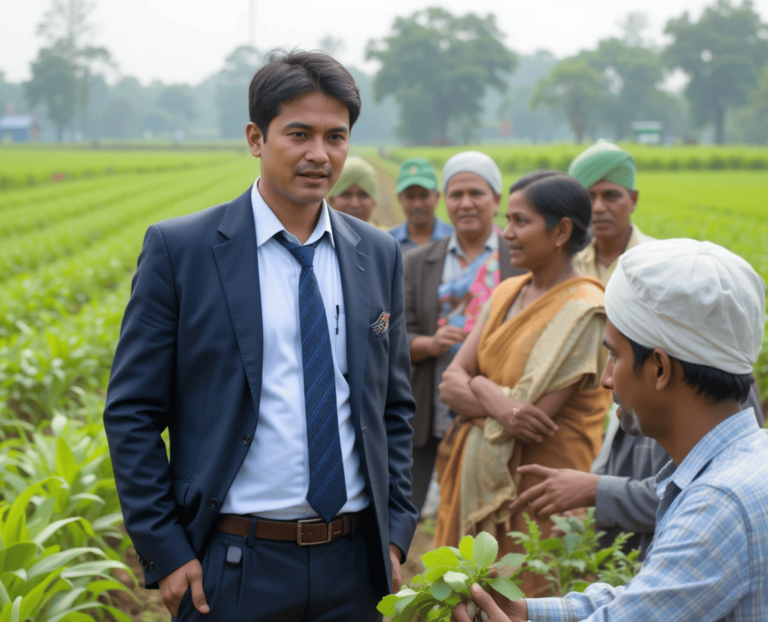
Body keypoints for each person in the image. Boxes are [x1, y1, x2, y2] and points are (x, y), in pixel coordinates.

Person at [103, 51, 417, 622]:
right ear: (256, 137)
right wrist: (166, 550)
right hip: (234, 564)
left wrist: (395, 532)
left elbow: (392, 405)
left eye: (335, 137)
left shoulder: (377, 253)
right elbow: (132, 412)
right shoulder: (184, 251)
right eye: (299, 133)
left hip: (355, 564)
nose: (319, 155)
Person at [455, 238, 768, 622]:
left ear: (660, 369)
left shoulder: (718, 506)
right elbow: (647, 598)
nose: (605, 379)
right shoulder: (747, 460)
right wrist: (528, 612)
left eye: (614, 356)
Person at [505, 143, 765, 558]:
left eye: (611, 194)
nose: (601, 207)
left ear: (660, 367)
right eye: (588, 197)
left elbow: (686, 491)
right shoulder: (555, 269)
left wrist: (597, 490)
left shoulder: (672, 279)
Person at [436, 171, 612, 596]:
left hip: (538, 495)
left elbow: (530, 415)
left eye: (520, 221)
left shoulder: (586, 310)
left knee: (531, 597)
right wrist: (492, 396)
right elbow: (450, 383)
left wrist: (477, 386)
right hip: (476, 479)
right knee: (465, 599)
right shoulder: (507, 292)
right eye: (508, 220)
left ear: (561, 231)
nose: (507, 233)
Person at [404, 151, 524, 517]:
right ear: (444, 201)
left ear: (496, 199)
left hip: (493, 405)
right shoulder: (417, 262)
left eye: (477, 193)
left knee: (488, 513)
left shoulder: (518, 258)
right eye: (456, 195)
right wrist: (430, 343)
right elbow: (394, 335)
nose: (466, 203)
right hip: (429, 402)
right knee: (405, 509)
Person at [568, 141, 653, 283]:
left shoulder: (657, 261)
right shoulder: (567, 263)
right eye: (589, 198)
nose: (598, 208)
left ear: (633, 200)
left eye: (611, 196)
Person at [389, 157, 453, 255]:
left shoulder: (454, 239)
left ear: (437, 196)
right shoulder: (388, 243)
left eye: (424, 196)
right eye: (410, 197)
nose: (417, 205)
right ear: (399, 199)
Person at [326, 156, 379, 223]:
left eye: (363, 195)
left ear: (374, 202)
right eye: (346, 194)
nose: (355, 204)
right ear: (331, 200)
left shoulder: (387, 233)